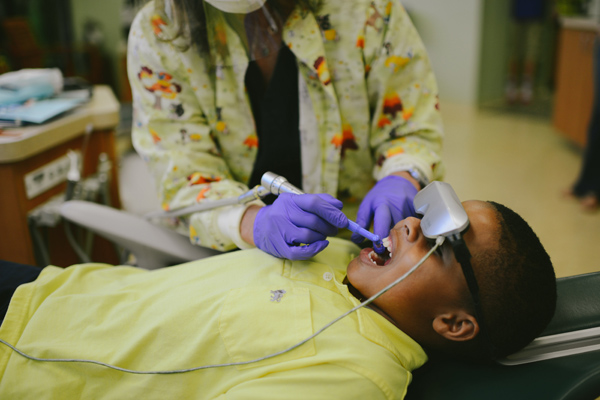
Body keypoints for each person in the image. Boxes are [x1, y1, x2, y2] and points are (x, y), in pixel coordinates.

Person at [0, 200, 557, 399]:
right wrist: (250, 218)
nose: (410, 221)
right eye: (428, 210)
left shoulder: (355, 375)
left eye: (440, 241)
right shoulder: (342, 259)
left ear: (455, 324)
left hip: (24, 358)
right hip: (52, 288)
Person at [127, 0, 444, 260]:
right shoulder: (161, 32)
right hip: (232, 253)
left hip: (357, 241)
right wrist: (252, 222)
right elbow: (183, 176)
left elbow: (412, 126)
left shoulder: (366, 10)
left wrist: (402, 177)